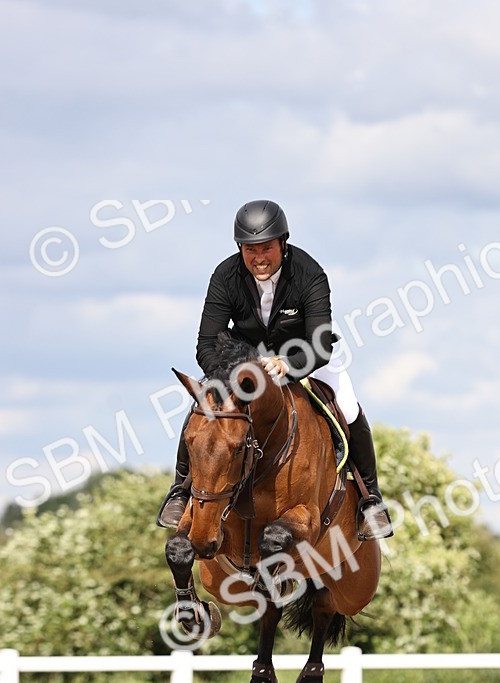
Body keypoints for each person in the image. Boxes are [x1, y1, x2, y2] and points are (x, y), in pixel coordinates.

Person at [157, 199, 393, 539]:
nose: (259, 258)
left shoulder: (310, 274)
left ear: (282, 243)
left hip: (303, 354)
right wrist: (228, 375)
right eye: (250, 250)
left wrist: (287, 365)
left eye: (266, 248)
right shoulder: (225, 275)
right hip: (243, 358)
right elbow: (205, 345)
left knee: (348, 405)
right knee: (204, 406)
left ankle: (371, 501)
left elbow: (321, 344)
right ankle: (180, 490)